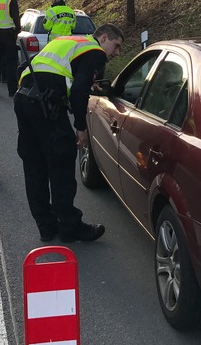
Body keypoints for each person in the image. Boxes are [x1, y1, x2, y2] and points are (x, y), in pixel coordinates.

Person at [13, 23, 124, 242]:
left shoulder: (65, 42)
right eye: (116, 45)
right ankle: (70, 227)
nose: (117, 53)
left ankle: (46, 227)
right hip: (47, 105)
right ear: (103, 38)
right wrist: (80, 126)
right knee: (62, 163)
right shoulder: (95, 52)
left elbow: (28, 70)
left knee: (34, 166)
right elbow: (79, 90)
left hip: (24, 98)